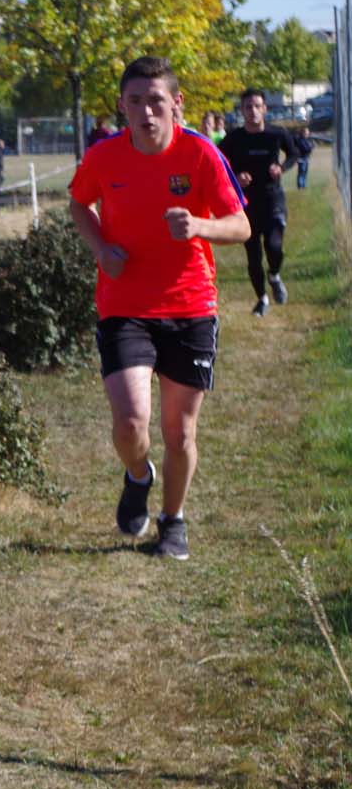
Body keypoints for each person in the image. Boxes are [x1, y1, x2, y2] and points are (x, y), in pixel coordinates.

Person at [67, 56, 249, 562]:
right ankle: (137, 474)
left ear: (176, 103)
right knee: (130, 422)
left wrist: (200, 226)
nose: (146, 112)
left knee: (180, 431)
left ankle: (173, 522)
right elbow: (80, 205)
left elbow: (240, 225)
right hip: (125, 304)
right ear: (122, 106)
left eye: (155, 101)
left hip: (190, 305)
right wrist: (101, 249)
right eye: (135, 102)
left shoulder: (200, 154)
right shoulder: (104, 157)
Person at [218, 88, 298, 316]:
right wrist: (235, 178)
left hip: (273, 198)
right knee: (253, 256)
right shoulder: (234, 138)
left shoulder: (277, 134)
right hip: (246, 204)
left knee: (274, 246)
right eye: (247, 107)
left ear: (264, 109)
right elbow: (218, 163)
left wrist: (281, 167)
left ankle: (274, 275)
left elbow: (293, 154)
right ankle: (261, 299)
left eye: (256, 106)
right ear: (242, 111)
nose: (252, 111)